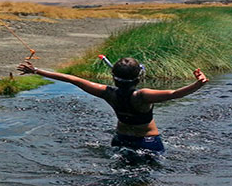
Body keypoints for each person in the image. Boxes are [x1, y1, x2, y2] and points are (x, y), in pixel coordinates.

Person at [17, 57, 208, 154]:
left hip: (120, 140)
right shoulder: (143, 96)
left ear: (114, 77)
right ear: (139, 76)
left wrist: (36, 70)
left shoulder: (107, 93)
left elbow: (72, 79)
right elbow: (174, 94)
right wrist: (198, 84)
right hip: (148, 143)